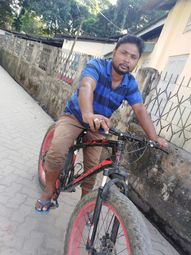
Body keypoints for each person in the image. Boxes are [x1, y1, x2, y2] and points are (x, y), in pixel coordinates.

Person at [35, 34, 168, 212]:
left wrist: (154, 137)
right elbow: (86, 86)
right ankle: (49, 189)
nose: (127, 60)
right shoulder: (96, 66)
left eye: (133, 57)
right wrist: (88, 113)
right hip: (75, 116)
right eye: (124, 53)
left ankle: (84, 207)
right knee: (56, 152)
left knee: (92, 168)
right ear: (114, 52)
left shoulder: (130, 84)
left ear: (137, 61)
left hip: (99, 125)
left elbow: (140, 110)